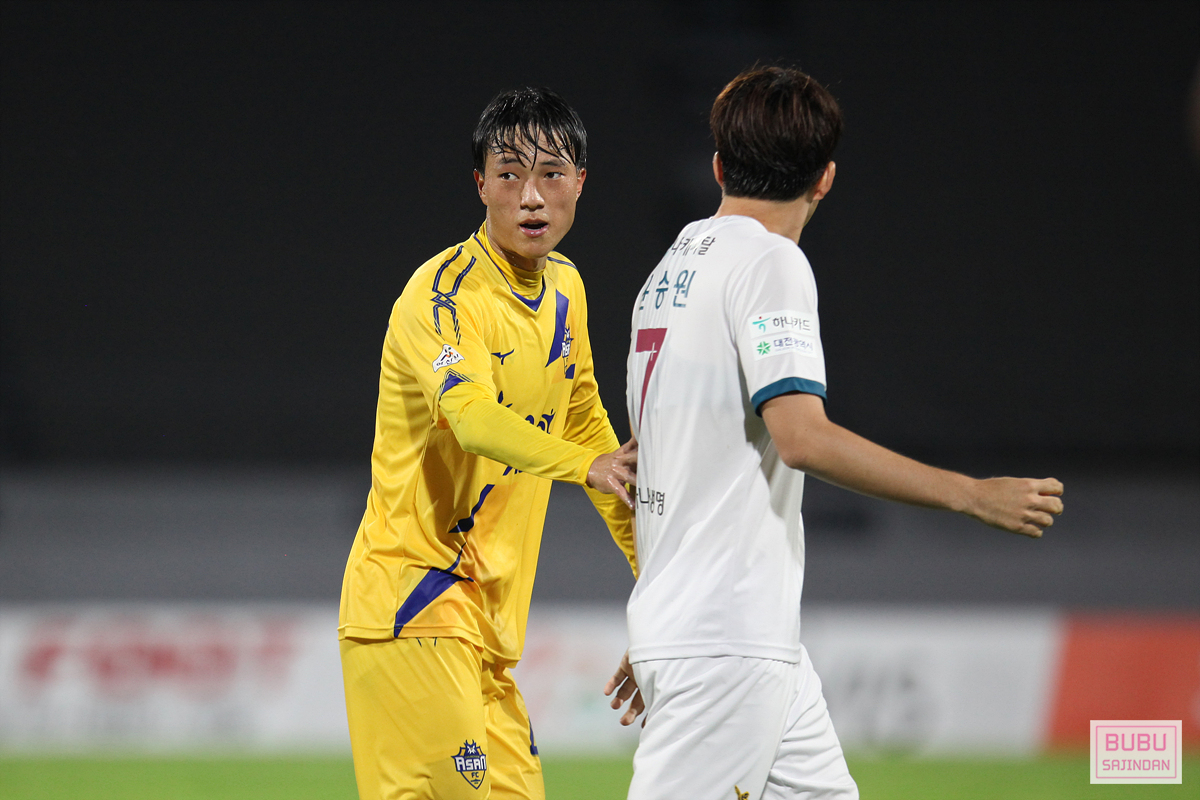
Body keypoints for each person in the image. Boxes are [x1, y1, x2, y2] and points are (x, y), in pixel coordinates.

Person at [605, 67, 1064, 800]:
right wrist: (971, 495)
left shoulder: (671, 270)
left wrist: (670, 619)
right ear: (825, 178)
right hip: (726, 636)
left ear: (719, 167)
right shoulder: (771, 263)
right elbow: (803, 438)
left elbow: (660, 464)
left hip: (731, 632)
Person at [339, 87, 637, 800]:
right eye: (509, 175)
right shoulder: (441, 295)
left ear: (580, 183)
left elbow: (589, 427)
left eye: (551, 175)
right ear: (480, 184)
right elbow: (472, 418)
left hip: (489, 635)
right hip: (416, 604)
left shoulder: (566, 289)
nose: (531, 197)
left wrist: (656, 580)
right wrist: (584, 466)